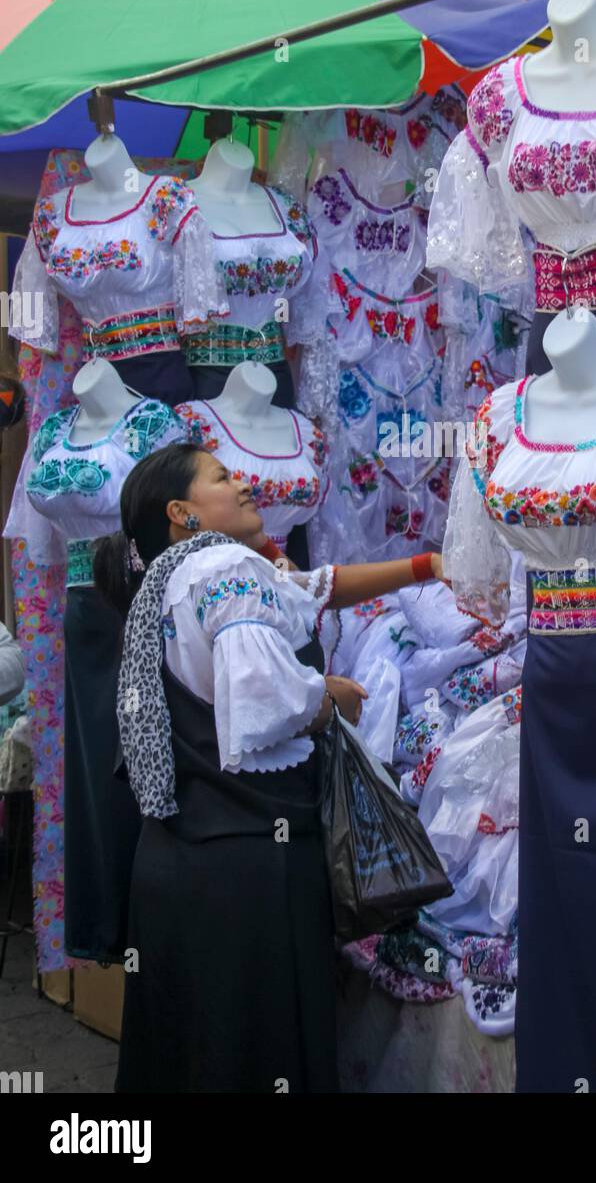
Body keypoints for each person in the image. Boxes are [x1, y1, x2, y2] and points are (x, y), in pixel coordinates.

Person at [93, 440, 446, 1094]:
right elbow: (262, 698)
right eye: (223, 478)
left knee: (189, 1048)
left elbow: (314, 590)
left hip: (176, 861)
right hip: (251, 864)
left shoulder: (172, 579)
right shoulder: (226, 567)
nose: (246, 484)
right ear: (182, 511)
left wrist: (427, 565)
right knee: (258, 1048)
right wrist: (327, 697)